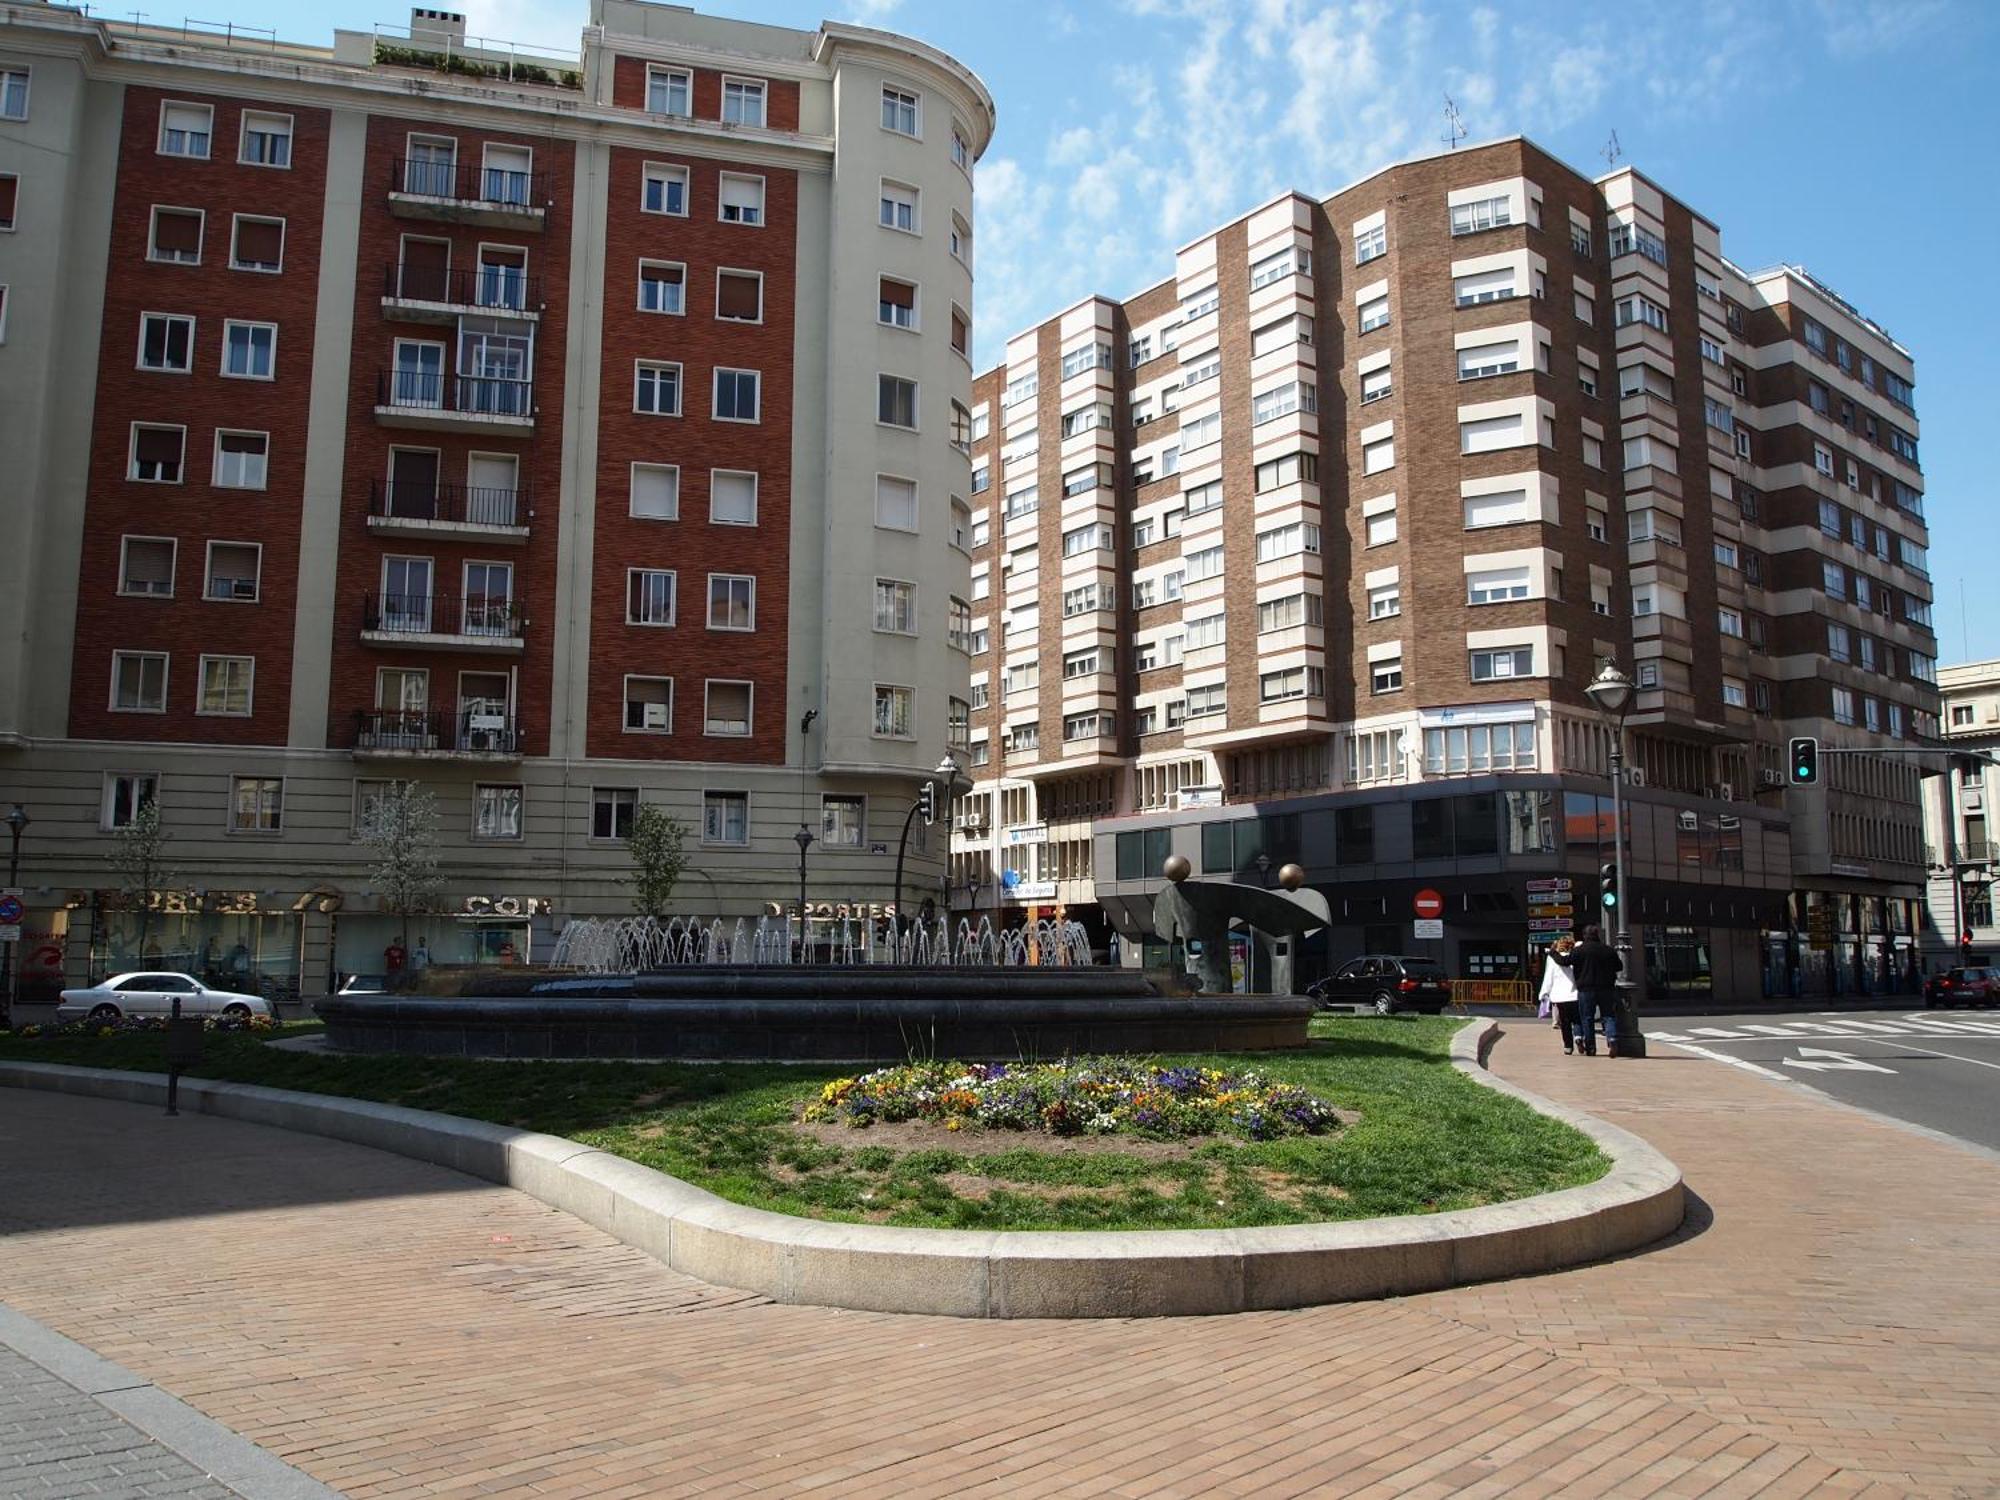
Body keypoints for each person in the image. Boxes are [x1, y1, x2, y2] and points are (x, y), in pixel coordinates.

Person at [1555, 924, 1622, 1057]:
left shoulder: (1579, 950)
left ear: (1584, 935)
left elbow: (1565, 961)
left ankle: (1590, 1048)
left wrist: (1553, 953)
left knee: (1587, 1018)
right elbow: (1619, 966)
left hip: (1586, 989)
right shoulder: (1608, 950)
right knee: (1608, 1015)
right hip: (1606, 988)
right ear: (1597, 935)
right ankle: (1612, 1039)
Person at [1538, 937, 1581, 1055]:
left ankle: (1568, 1046)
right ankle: (1578, 1036)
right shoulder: (1575, 956)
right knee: (1577, 1019)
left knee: (1564, 1021)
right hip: (1575, 994)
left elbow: (1549, 976)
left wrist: (1544, 992)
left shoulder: (1552, 958)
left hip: (1559, 995)